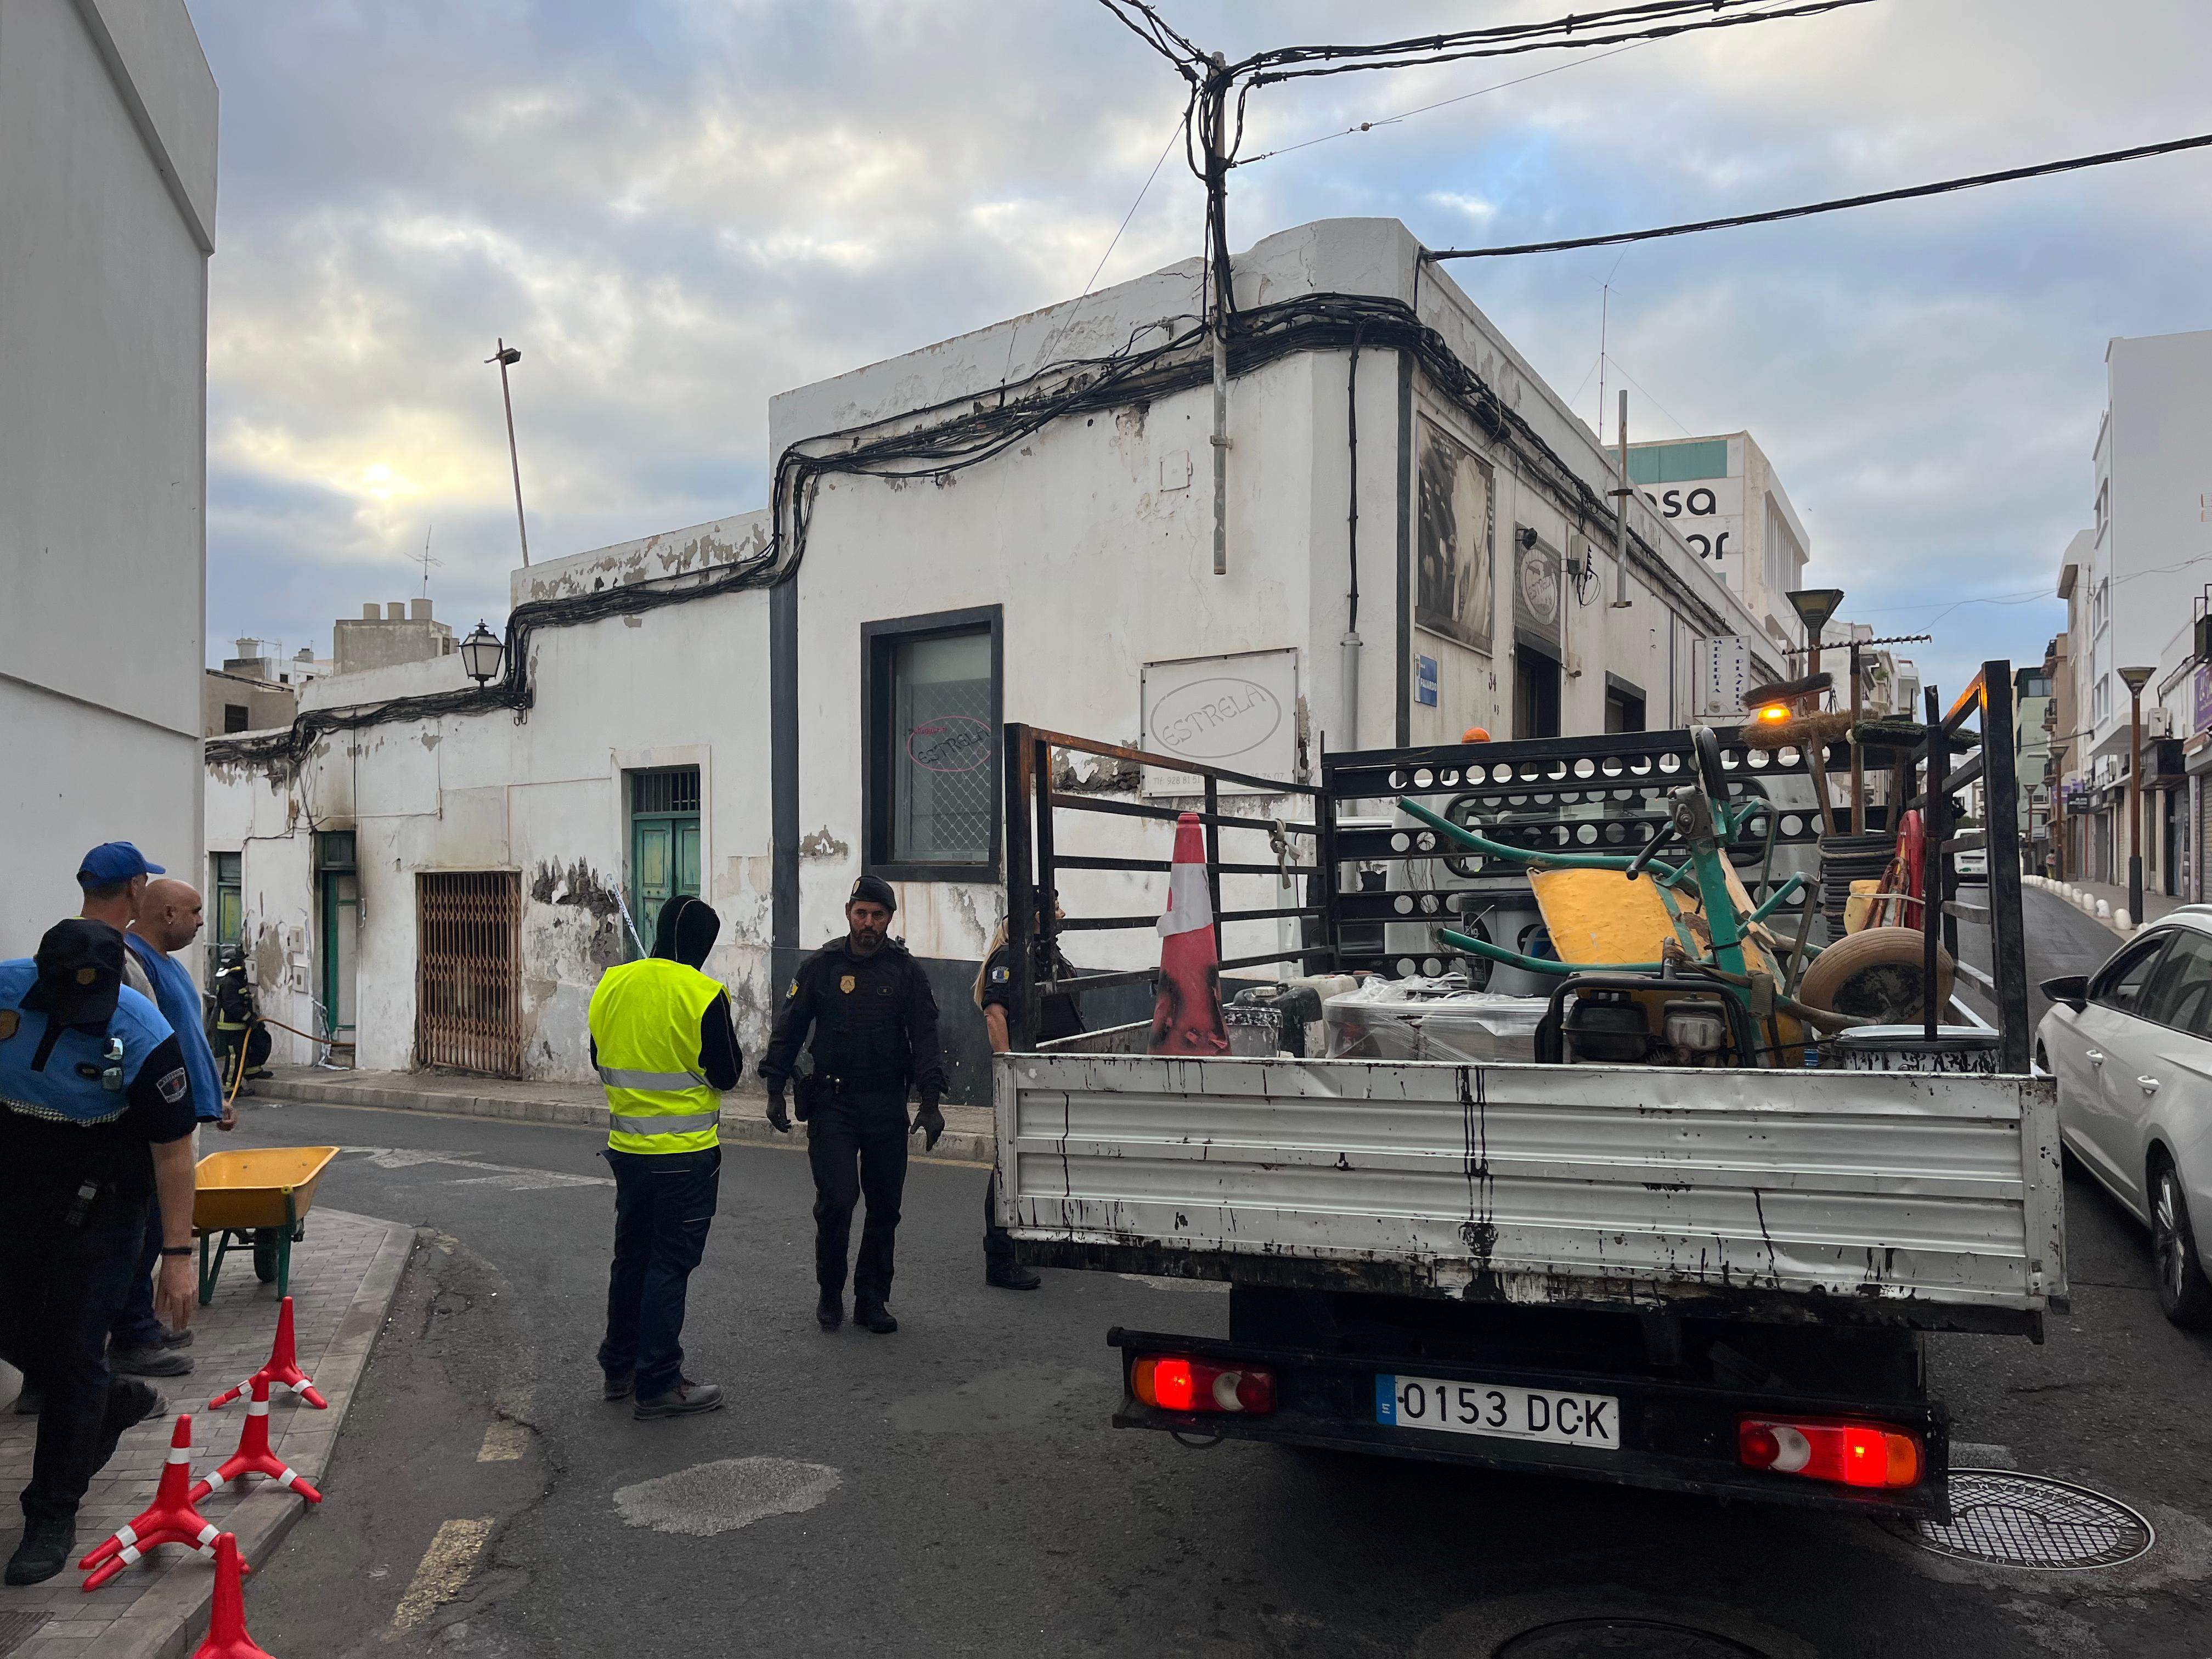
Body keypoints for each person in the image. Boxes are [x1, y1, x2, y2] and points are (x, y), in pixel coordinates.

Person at [0, 920, 197, 1584]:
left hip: (107, 1202)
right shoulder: (4, 992)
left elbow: (173, 1152)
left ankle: (50, 1515)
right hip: (18, 1184)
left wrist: (177, 1254)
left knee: (76, 1347)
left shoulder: (143, 1034)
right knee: (35, 1343)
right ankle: (106, 1400)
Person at [761, 875, 945, 1335]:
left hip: (885, 1104)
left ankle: (872, 1299)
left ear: (889, 919)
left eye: (877, 915)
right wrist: (774, 1088)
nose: (868, 923)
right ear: (848, 912)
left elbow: (925, 1039)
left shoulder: (906, 972)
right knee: (838, 1202)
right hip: (833, 1104)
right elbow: (790, 1029)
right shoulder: (820, 967)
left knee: (885, 1208)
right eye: (861, 913)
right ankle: (830, 1293)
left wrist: (931, 1102)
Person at [589, 895, 741, 1420]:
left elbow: (598, 1056)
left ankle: (619, 1368)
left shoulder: (613, 984)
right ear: (702, 944)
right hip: (686, 1155)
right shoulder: (702, 993)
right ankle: (659, 1380)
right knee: (668, 1264)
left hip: (628, 1150)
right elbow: (726, 1073)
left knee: (630, 1257)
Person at [103, 880, 233, 1383]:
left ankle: (144, 1328)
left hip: (185, 1112)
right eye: (196, 912)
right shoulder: (137, 963)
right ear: (169, 913)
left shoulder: (172, 964)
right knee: (147, 1229)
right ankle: (134, 1337)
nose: (203, 921)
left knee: (156, 1227)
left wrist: (213, 1095)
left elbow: (189, 1037)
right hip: (156, 1123)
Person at [973, 896, 1086, 1291]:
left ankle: (1032, 1242)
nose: (1063, 913)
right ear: (1035, 916)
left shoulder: (1047, 957)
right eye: (1055, 908)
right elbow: (995, 1013)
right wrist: (1010, 1072)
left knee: (1043, 1159)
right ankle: (1000, 1259)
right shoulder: (1012, 956)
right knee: (1011, 1164)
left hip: (1054, 1075)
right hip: (1028, 1076)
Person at [76, 842, 161, 1002]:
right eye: (145, 882)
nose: (147, 890)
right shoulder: (109, 955)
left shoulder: (64, 944)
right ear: (134, 886)